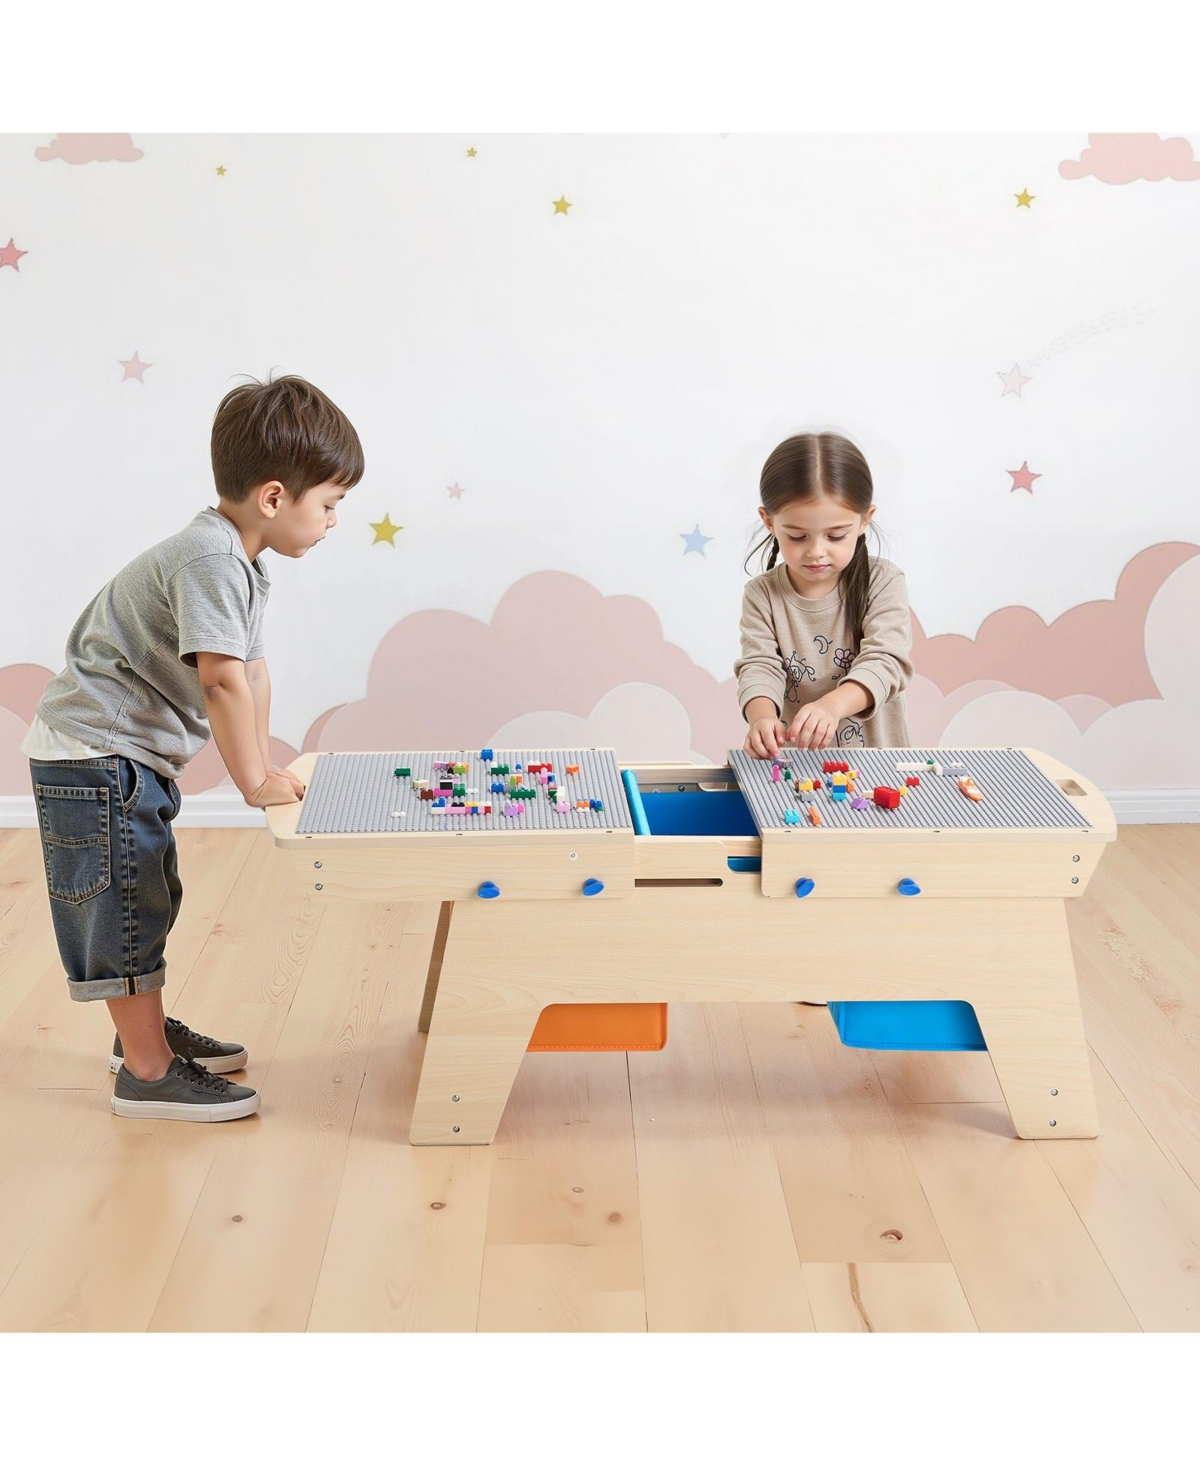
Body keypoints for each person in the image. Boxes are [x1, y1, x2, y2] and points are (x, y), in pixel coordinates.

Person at [23, 374, 363, 1120]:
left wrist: (265, 768)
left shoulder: (239, 561)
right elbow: (220, 682)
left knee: (149, 893)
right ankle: (147, 1073)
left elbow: (252, 672)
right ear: (273, 498)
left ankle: (141, 1036)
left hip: (118, 753)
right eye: (330, 503)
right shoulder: (210, 561)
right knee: (124, 908)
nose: (334, 520)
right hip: (95, 752)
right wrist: (251, 783)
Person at [735, 431, 913, 758]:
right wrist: (761, 718)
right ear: (769, 522)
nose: (816, 551)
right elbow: (759, 665)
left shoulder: (883, 582)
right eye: (797, 536)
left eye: (835, 536)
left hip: (877, 763)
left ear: (864, 520)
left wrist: (832, 705)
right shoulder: (762, 594)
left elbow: (886, 661)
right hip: (797, 766)